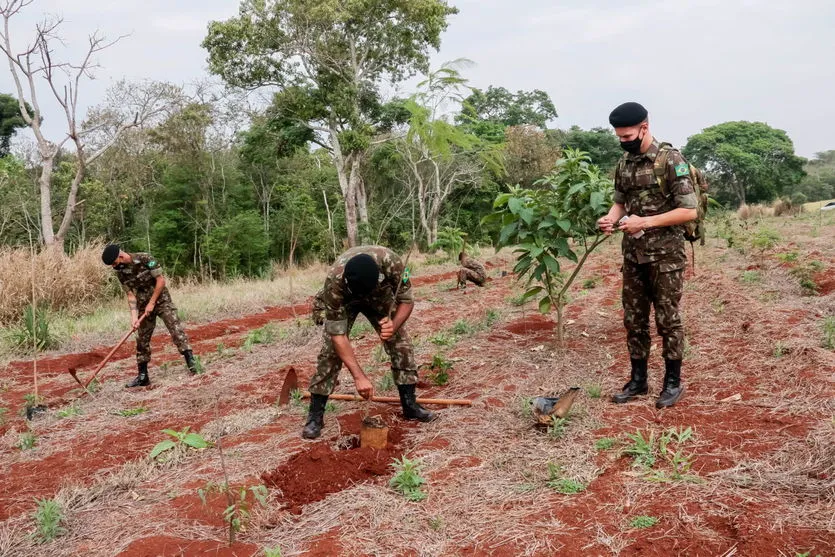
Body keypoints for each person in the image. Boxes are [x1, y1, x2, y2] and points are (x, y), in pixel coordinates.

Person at [597, 102, 697, 409]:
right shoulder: (623, 163)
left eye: (628, 135)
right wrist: (610, 218)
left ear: (645, 126)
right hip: (633, 256)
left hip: (666, 257)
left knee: (668, 319)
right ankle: (638, 381)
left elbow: (689, 210)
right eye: (619, 137)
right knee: (634, 319)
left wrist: (647, 221)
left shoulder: (671, 160)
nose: (624, 141)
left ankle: (672, 383)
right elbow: (621, 203)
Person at [303, 246, 436, 439]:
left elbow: (406, 300)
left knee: (401, 343)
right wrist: (359, 377)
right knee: (330, 352)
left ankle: (410, 406)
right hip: (346, 300)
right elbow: (337, 335)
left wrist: (394, 324)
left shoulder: (394, 264)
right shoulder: (334, 283)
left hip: (379, 297)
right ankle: (315, 416)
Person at [101, 244, 197, 387]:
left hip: (161, 301)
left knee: (176, 330)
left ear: (120, 256)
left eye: (115, 263)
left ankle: (193, 365)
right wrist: (134, 317)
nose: (114, 266)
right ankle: (143, 376)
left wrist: (152, 303)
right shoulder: (121, 273)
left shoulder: (145, 258)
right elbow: (130, 295)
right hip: (143, 306)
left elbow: (161, 280)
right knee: (142, 340)